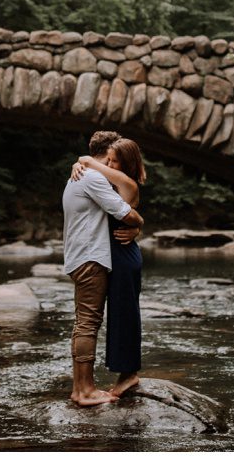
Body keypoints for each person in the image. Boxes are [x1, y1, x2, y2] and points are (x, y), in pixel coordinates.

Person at [62, 130, 144, 407]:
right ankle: (84, 389)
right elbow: (122, 213)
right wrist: (85, 163)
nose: (110, 165)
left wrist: (138, 226)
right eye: (108, 159)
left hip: (107, 255)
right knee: (88, 322)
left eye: (115, 161)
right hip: (94, 256)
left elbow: (127, 211)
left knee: (110, 317)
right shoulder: (92, 177)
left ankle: (101, 383)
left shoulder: (97, 176)